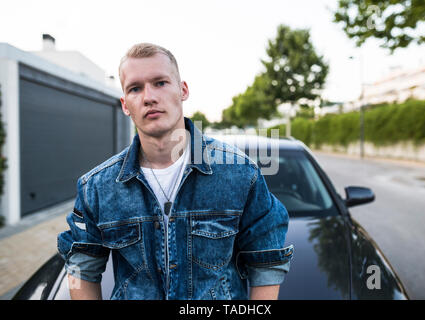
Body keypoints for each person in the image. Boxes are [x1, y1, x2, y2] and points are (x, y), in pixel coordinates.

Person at [57, 43, 293, 300]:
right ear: (125, 104)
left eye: (160, 82)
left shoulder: (240, 173)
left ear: (183, 90)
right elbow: (80, 268)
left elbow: (266, 261)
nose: (149, 97)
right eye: (135, 88)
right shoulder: (97, 187)